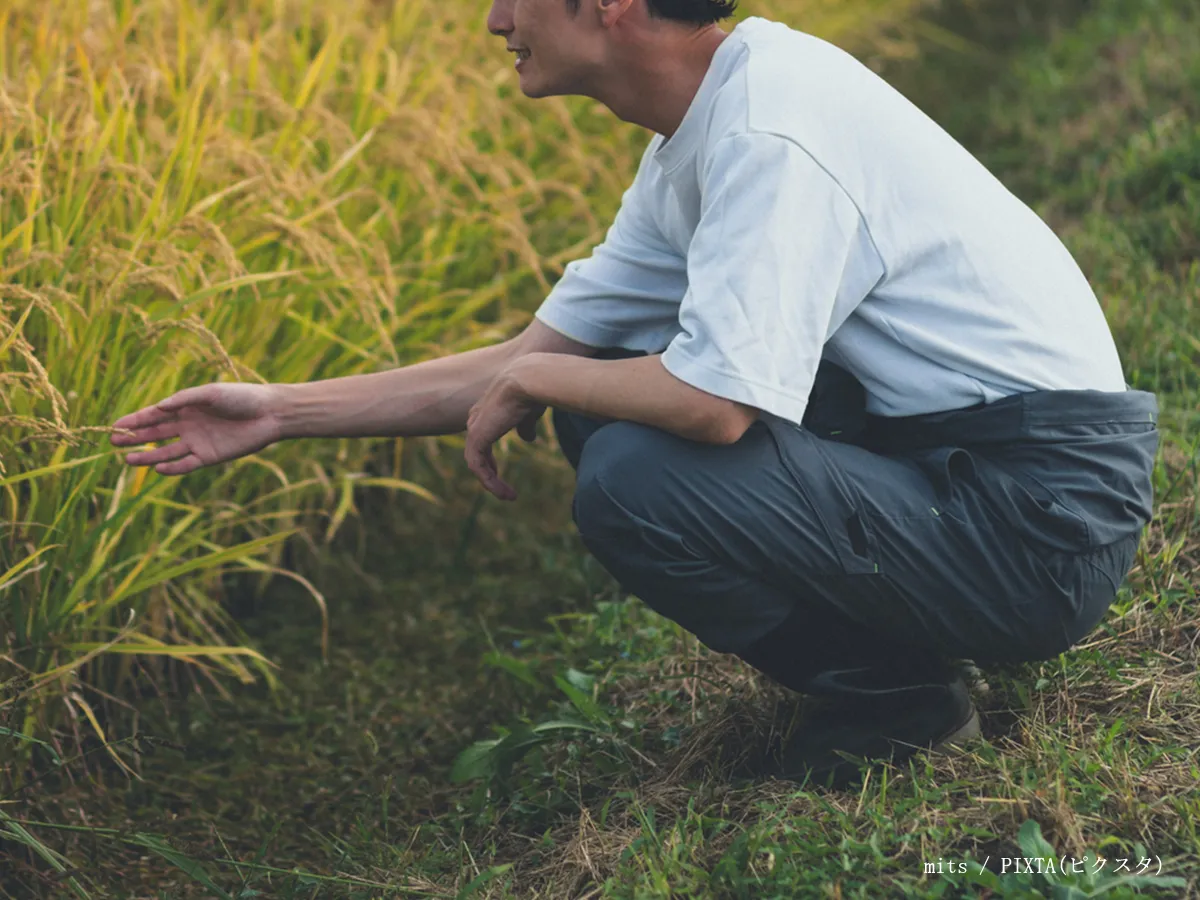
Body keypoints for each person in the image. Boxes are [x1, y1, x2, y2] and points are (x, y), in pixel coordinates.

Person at [110, 0, 1159, 789]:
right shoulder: (702, 132)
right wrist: (280, 410)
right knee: (598, 397)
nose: (493, 20)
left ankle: (899, 703)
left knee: (635, 466)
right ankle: (899, 671)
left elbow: (712, 408)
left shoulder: (768, 132)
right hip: (971, 478)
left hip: (1038, 529)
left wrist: (541, 378)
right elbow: (529, 361)